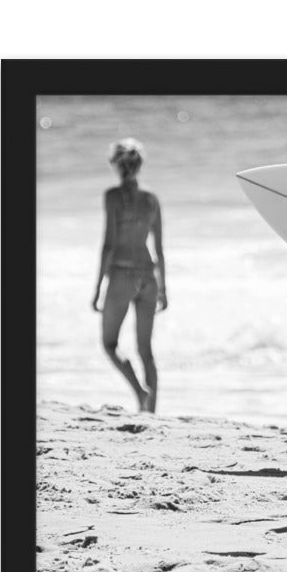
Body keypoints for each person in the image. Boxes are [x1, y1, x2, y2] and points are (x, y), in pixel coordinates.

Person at [91, 138, 167, 412]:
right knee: (146, 350)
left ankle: (139, 392)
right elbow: (158, 249)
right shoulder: (151, 200)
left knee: (110, 344)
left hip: (122, 276)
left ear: (116, 165)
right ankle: (151, 414)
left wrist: (98, 287)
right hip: (148, 276)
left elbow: (109, 245)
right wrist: (163, 288)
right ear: (139, 165)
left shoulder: (112, 196)